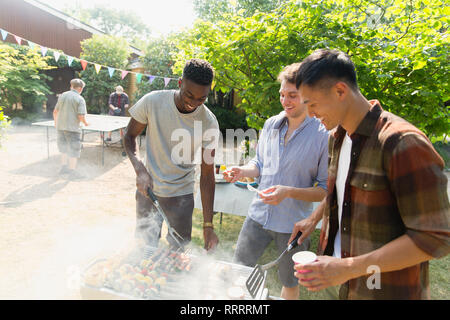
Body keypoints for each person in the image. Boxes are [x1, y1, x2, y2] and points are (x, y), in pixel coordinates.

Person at [289, 49, 450, 299]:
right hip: (342, 290)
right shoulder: (337, 138)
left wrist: (348, 268)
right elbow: (343, 192)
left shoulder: (402, 143)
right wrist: (314, 218)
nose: (309, 114)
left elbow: (436, 236)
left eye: (312, 104)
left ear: (340, 91)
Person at [223, 63, 329, 300]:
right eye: (282, 95)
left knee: (290, 282)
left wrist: (288, 192)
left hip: (293, 225)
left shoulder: (323, 134)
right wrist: (242, 170)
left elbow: (324, 191)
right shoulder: (271, 124)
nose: (285, 101)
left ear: (307, 95)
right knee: (237, 270)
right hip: (257, 216)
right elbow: (259, 166)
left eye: (293, 95)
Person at [124, 59, 220, 251]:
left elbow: (208, 174)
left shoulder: (209, 122)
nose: (193, 104)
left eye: (201, 99)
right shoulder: (152, 102)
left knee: (176, 255)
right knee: (143, 249)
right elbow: (129, 136)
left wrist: (208, 225)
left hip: (181, 196)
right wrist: (140, 169)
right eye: (189, 95)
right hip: (148, 192)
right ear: (179, 83)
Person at [53, 78, 89, 180]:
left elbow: (55, 111)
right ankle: (72, 172)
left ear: (71, 86)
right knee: (74, 150)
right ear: (81, 89)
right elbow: (81, 116)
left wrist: (56, 123)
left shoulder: (62, 95)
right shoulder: (80, 99)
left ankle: (63, 167)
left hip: (61, 128)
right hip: (73, 129)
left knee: (63, 148)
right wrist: (86, 123)